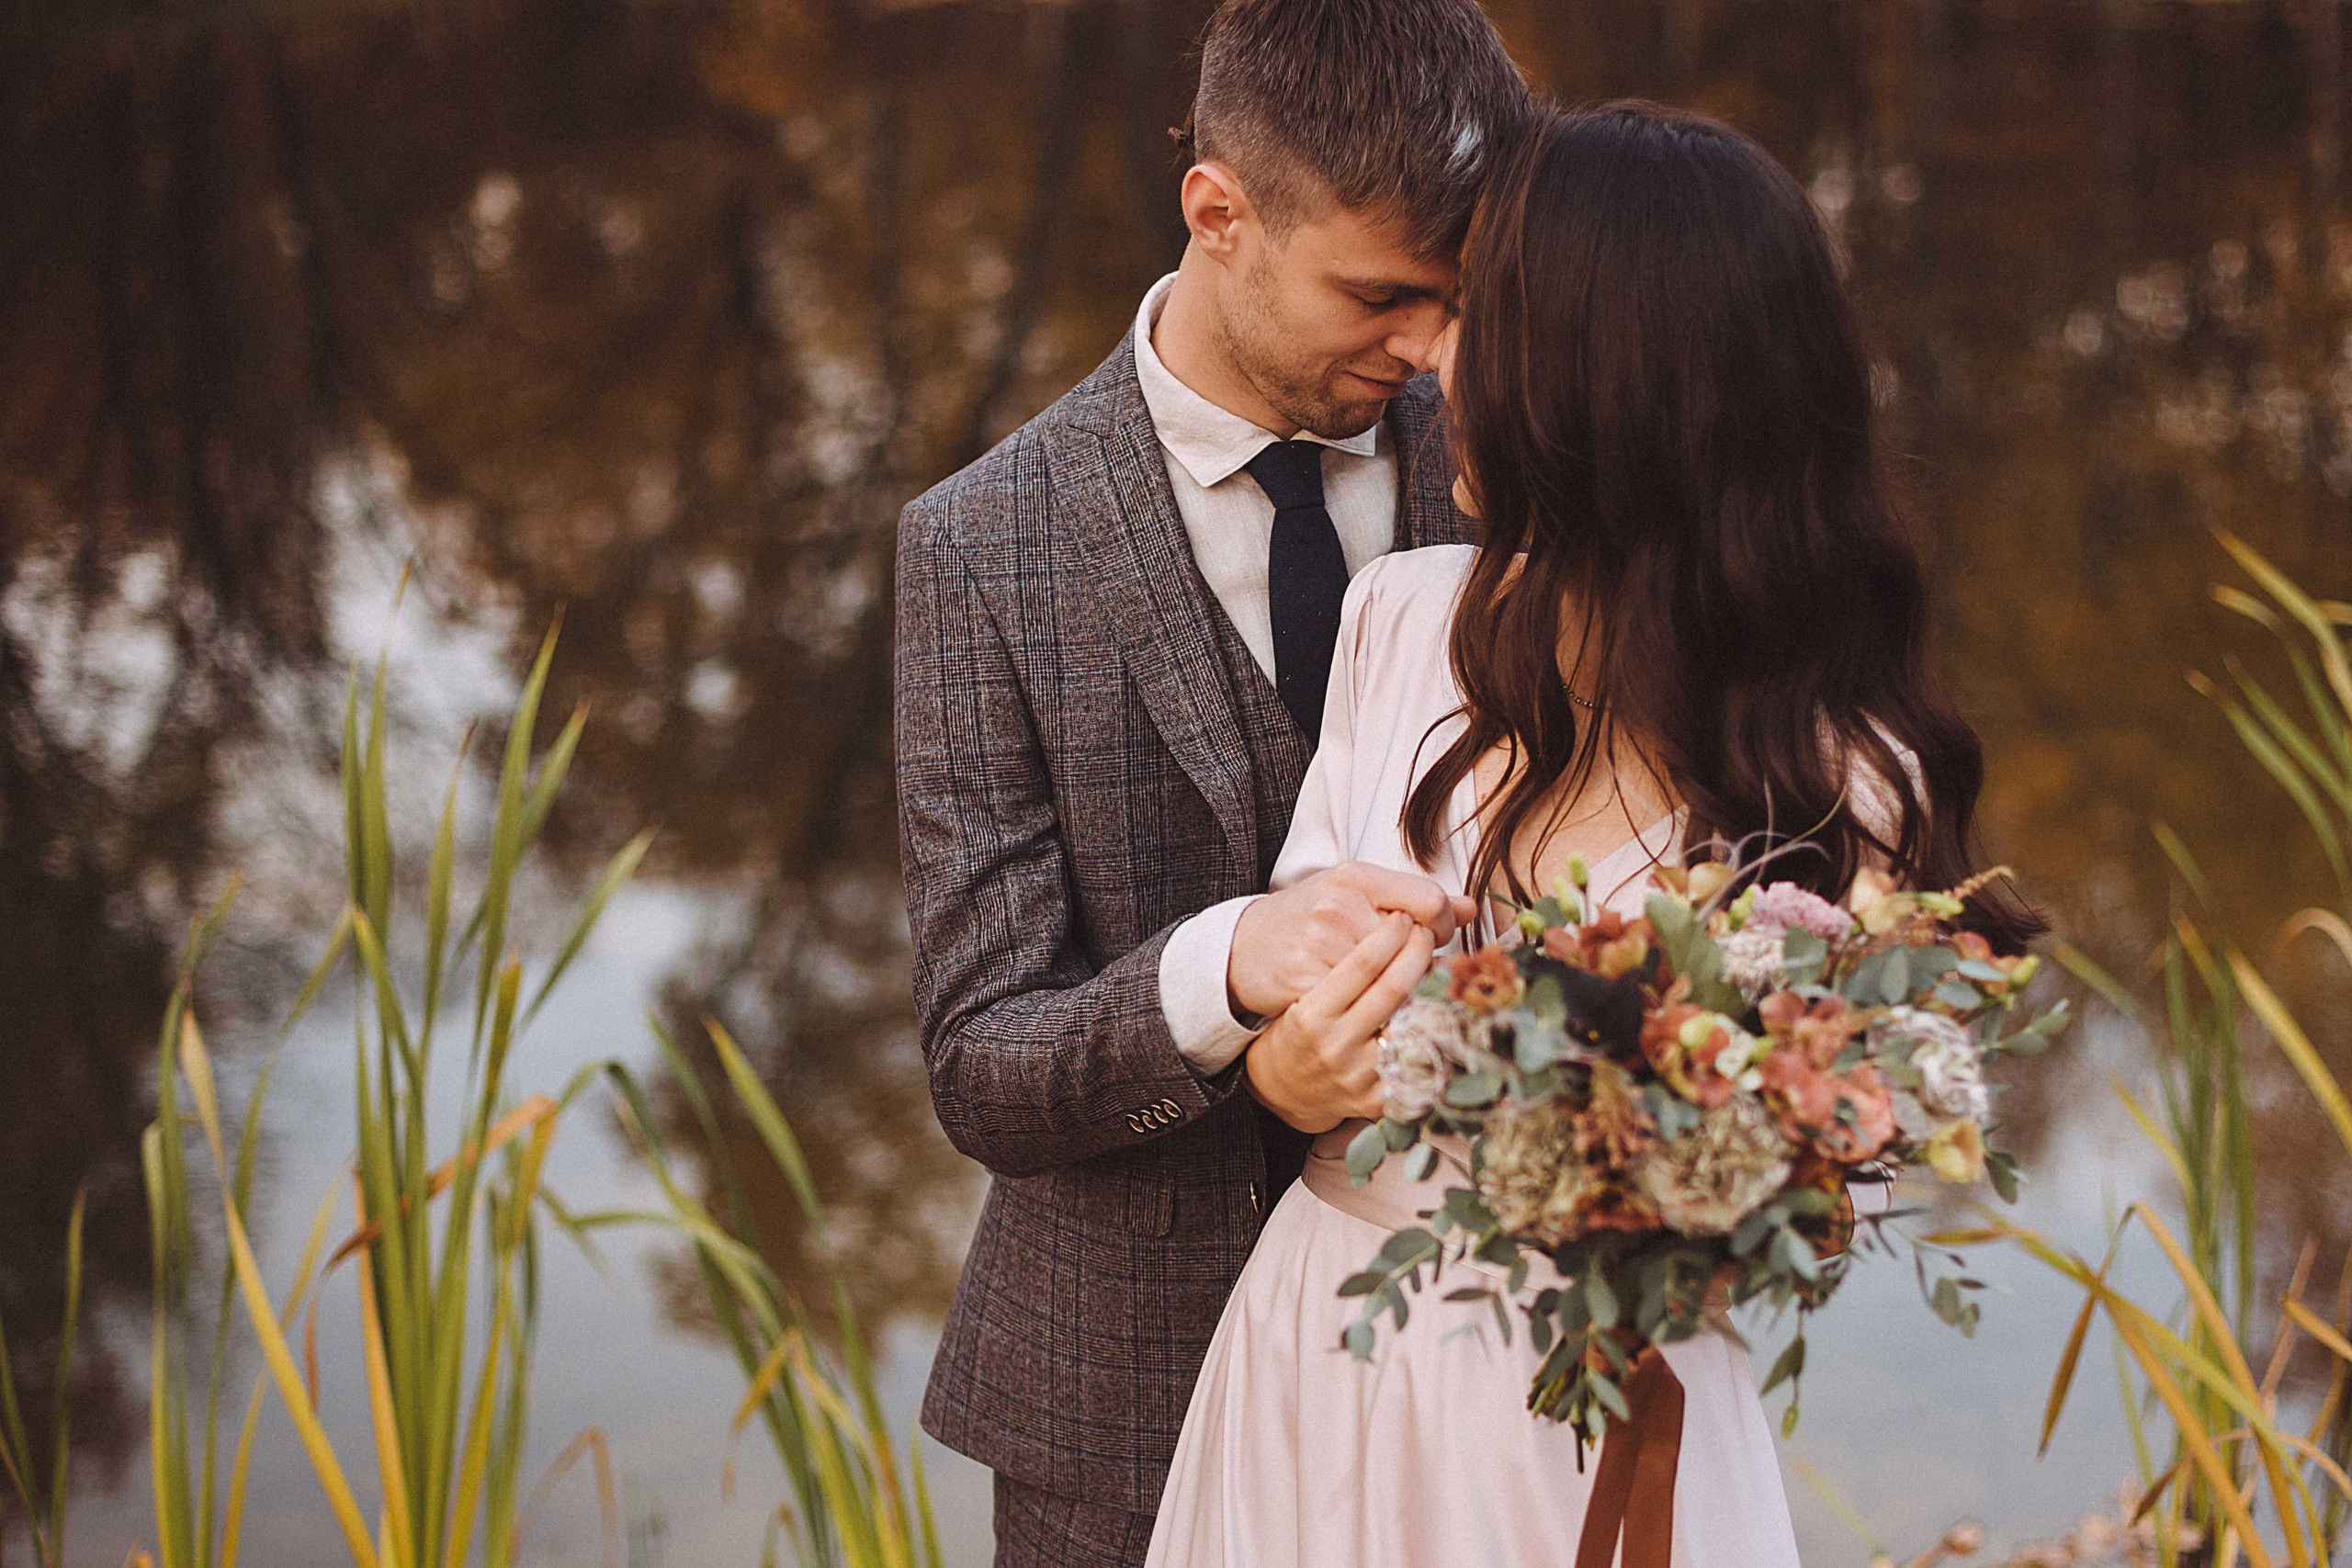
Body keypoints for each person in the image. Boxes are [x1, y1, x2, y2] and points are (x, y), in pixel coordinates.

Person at [1145, 102, 2046, 1568]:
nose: (1433, 357)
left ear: (1601, 386)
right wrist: (1286, 1072)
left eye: (1477, 321)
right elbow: (1303, 1023)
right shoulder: (1403, 622)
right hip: (1316, 1365)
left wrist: (1698, 1155)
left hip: (1605, 1418)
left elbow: (1836, 1208)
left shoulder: (1839, 774)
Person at [890, 3, 1532, 1562]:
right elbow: (983, 1059)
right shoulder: (982, 547)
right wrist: (1222, 971)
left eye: (1462, 301)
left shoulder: (1530, 465)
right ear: (1218, 213)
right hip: (1119, 1412)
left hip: (1486, 1381)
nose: (1430, 351)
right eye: (1384, 296)